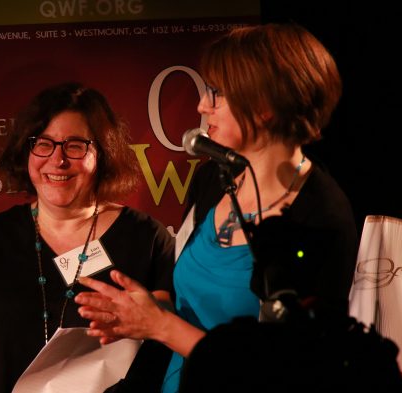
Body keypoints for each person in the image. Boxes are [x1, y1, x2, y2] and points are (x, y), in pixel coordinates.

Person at [75, 23, 359, 392]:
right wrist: (143, 312)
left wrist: (160, 326)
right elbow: (189, 305)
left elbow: (289, 369)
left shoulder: (321, 217)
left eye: (217, 93)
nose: (201, 105)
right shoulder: (214, 178)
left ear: (265, 107)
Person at [0, 82, 175, 393]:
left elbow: (165, 349)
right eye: (44, 144)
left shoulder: (147, 239)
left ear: (102, 152)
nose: (58, 160)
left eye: (75, 145)